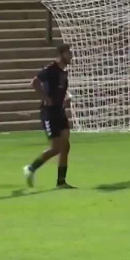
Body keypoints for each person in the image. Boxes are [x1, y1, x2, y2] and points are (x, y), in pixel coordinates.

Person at [23, 45, 75, 189]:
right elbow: (34, 82)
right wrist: (44, 97)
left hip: (60, 112)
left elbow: (62, 90)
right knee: (56, 147)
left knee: (66, 145)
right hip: (49, 113)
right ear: (61, 54)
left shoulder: (64, 73)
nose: (71, 55)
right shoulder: (50, 69)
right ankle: (31, 168)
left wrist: (67, 97)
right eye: (68, 53)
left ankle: (61, 182)